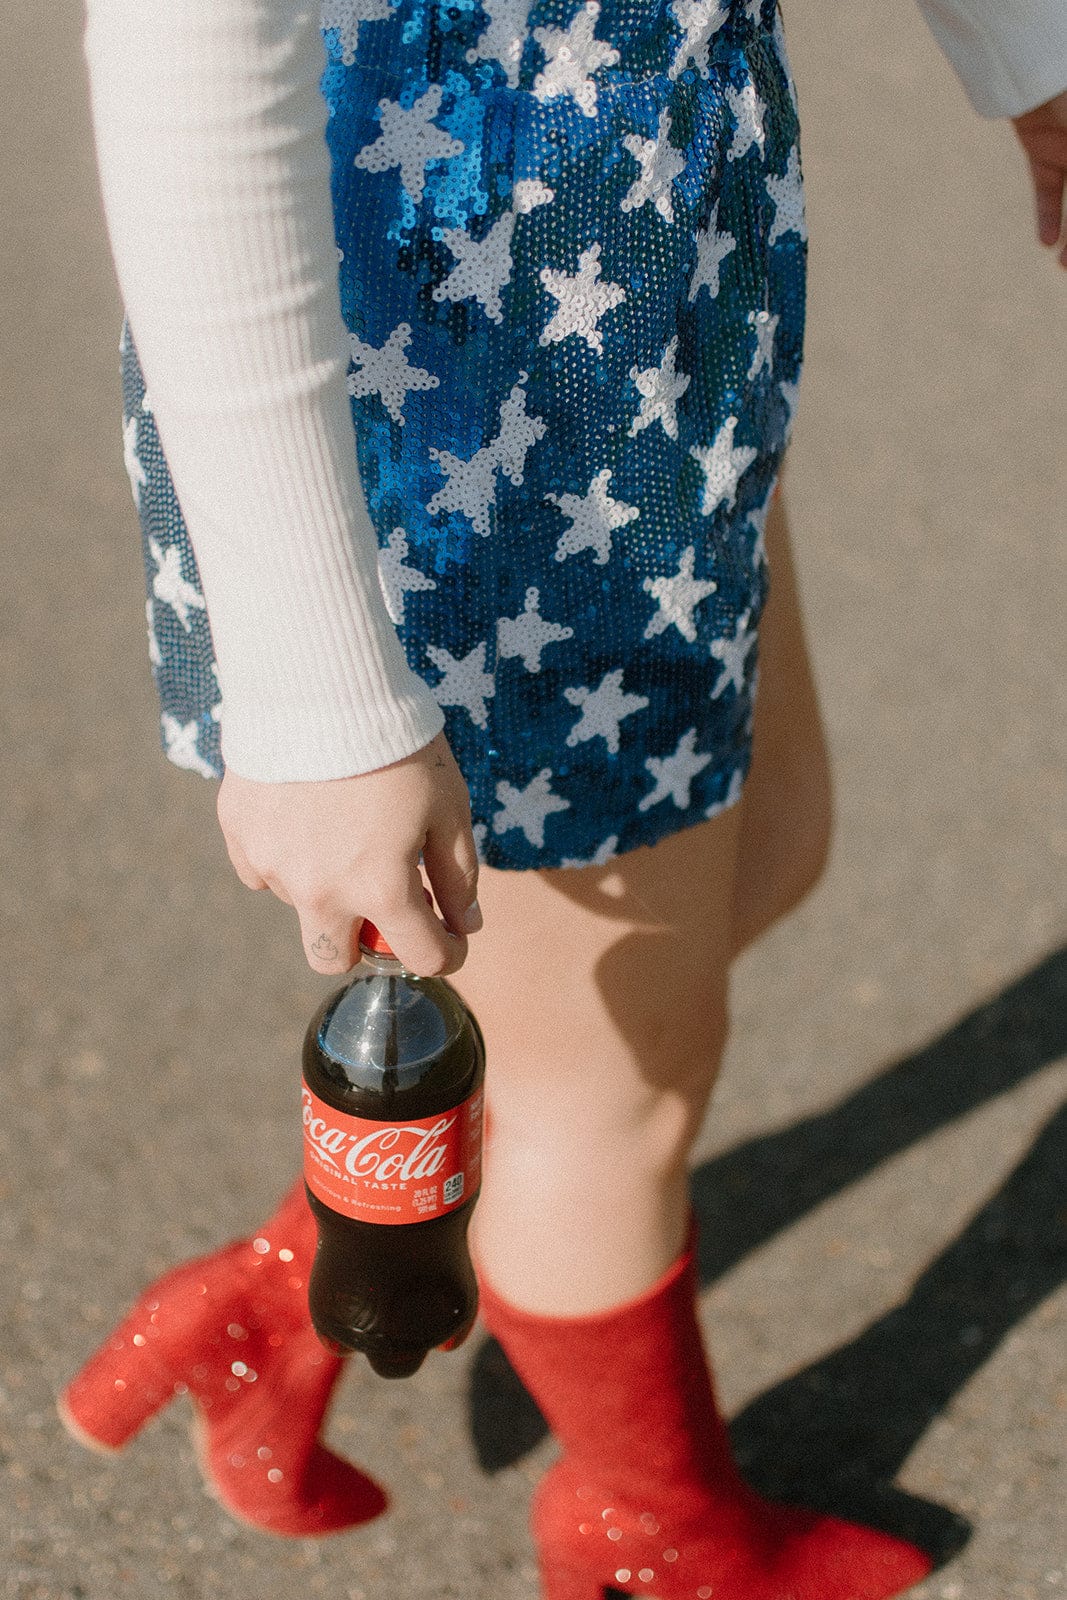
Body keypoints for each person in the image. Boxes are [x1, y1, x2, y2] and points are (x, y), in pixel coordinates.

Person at [60, 0, 1067, 1591]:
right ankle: (650, 1530)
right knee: (615, 1089)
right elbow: (187, 55)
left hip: (652, 271)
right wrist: (325, 696)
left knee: (771, 844)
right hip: (461, 371)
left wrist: (1030, 52)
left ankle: (294, 1276)